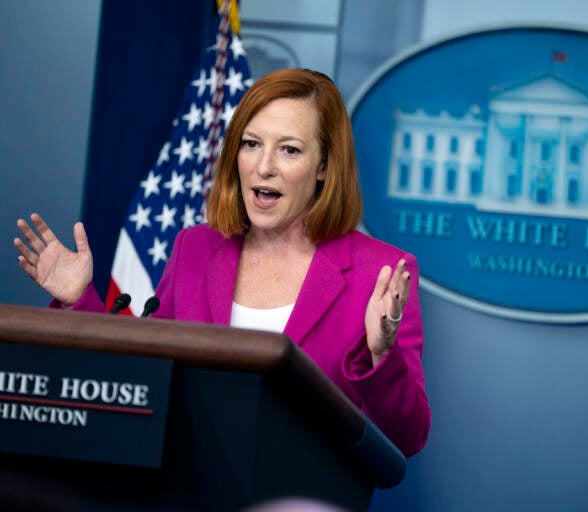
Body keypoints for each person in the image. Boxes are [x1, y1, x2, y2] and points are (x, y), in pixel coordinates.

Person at [13, 68, 430, 457]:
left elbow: (407, 439)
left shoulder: (381, 274)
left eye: (289, 150)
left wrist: (380, 355)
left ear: (324, 166)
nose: (264, 167)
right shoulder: (195, 248)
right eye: (251, 144)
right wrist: (77, 301)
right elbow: (145, 374)